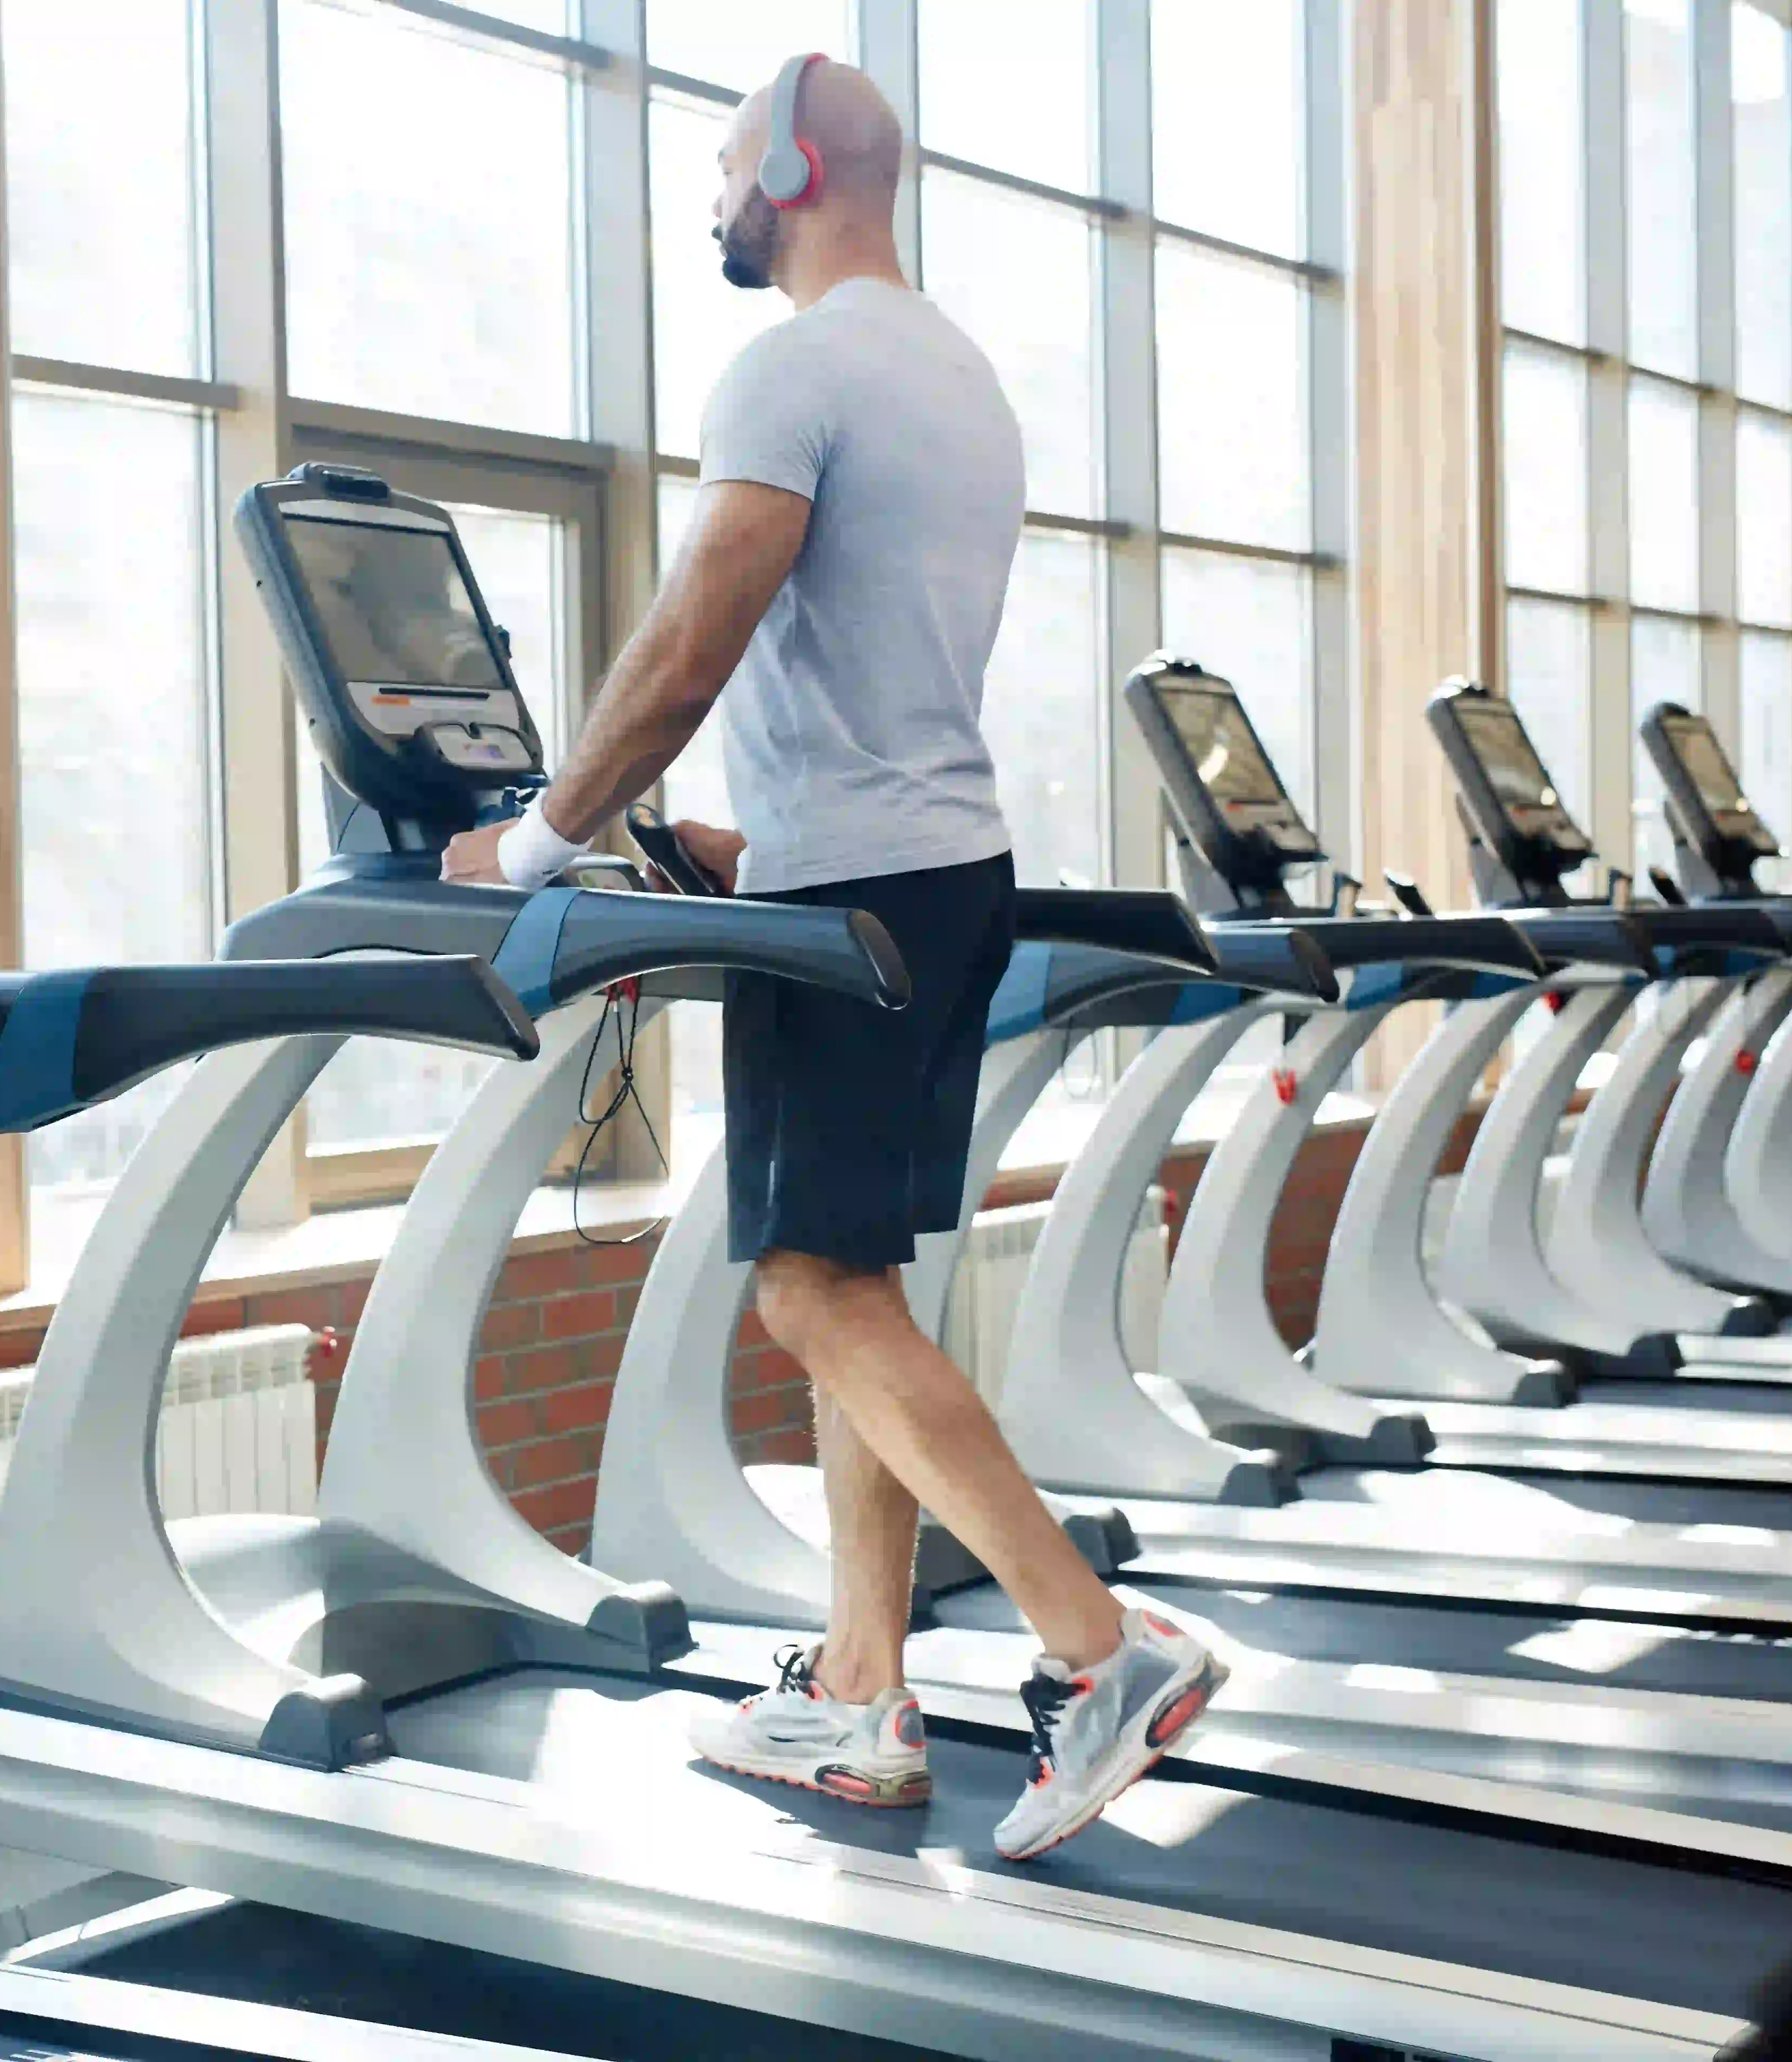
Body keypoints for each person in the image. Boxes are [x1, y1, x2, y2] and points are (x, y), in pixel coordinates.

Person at [437, 54, 1223, 1863]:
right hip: (933, 870)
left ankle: (1101, 1651)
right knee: (857, 1277)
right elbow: (879, 672)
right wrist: (743, 844)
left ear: (787, 167)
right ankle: (861, 1695)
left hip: (854, 891)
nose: (712, 196)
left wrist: (539, 841)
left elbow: (699, 631)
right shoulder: (955, 373)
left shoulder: (792, 366)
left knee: (805, 1290)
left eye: (723, 164)